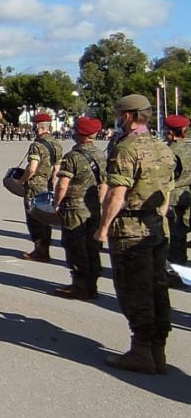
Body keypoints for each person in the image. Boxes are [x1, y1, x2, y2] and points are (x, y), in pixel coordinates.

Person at [96, 94, 175, 374]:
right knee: (157, 288)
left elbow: (118, 194)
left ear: (127, 116)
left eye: (119, 114)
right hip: (156, 226)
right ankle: (157, 351)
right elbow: (166, 192)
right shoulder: (162, 147)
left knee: (133, 290)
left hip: (130, 228)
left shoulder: (126, 148)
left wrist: (103, 228)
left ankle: (141, 352)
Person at [52, 117, 106, 300]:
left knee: (74, 245)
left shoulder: (72, 157)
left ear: (80, 134)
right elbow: (105, 183)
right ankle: (92, 285)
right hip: (94, 207)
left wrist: (57, 202)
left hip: (74, 207)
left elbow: (62, 185)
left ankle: (80, 285)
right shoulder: (101, 155)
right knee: (92, 246)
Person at [17, 112, 63, 262]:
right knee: (45, 217)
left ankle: (39, 251)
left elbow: (32, 168)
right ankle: (45, 248)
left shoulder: (37, 145)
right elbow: (57, 169)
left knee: (34, 218)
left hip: (35, 186)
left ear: (38, 127)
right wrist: (52, 186)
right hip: (48, 185)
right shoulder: (56, 144)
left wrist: (21, 181)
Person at [164, 114, 191, 271]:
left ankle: (176, 272)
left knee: (175, 238)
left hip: (173, 197)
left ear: (170, 132)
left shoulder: (168, 151)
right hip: (188, 195)